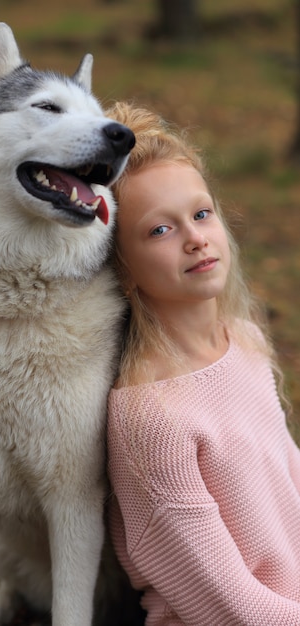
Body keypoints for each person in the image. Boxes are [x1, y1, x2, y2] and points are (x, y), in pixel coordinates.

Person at [105, 101, 300, 625]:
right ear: (121, 270)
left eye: (200, 213)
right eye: (159, 231)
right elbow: (227, 605)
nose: (195, 238)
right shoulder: (151, 418)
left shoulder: (244, 340)